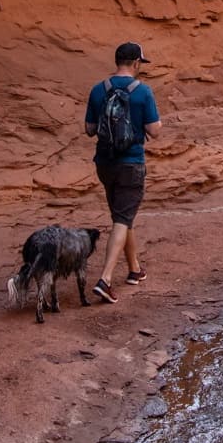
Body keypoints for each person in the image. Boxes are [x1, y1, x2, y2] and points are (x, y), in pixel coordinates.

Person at [83, 41, 161, 304]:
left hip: (105, 163)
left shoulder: (98, 89)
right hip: (131, 162)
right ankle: (105, 279)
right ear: (136, 63)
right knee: (122, 218)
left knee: (122, 215)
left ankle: (135, 270)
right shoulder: (143, 92)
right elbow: (154, 130)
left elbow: (90, 129)